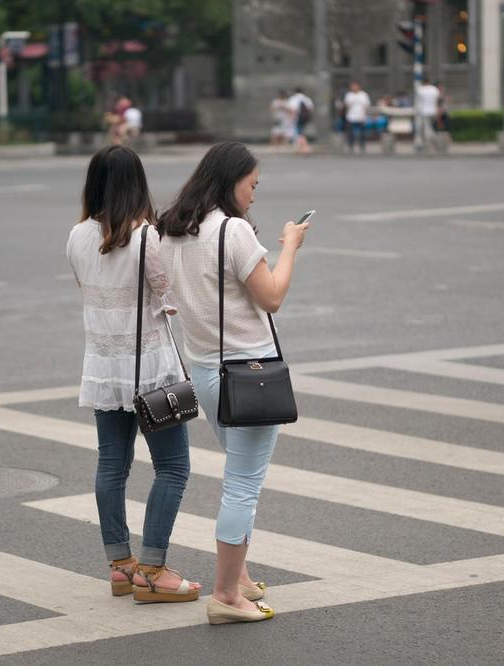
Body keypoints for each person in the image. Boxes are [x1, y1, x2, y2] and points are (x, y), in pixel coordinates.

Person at [156, 142, 310, 624]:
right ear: (231, 180)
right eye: (252, 185)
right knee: (243, 483)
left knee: (242, 472)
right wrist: (289, 247)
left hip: (206, 369)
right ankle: (225, 594)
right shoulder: (233, 230)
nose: (254, 195)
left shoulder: (173, 230)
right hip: (250, 374)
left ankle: (237, 575)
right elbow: (272, 297)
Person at [66, 145, 201, 604]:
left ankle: (121, 567)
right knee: (174, 468)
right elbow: (169, 299)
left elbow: (89, 289)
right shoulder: (146, 238)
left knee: (111, 466)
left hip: (105, 369)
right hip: (151, 369)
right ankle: (154, 569)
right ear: (137, 184)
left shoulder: (76, 236)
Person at [343, 81, 370, 154]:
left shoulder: (363, 95)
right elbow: (346, 105)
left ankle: (362, 146)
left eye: (355, 86)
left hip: (361, 116)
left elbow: (366, 106)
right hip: (351, 116)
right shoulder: (349, 95)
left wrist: (365, 116)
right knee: (350, 133)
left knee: (362, 133)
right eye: (352, 86)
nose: (354, 88)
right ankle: (351, 146)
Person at [414, 78, 439, 152]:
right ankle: (432, 142)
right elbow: (437, 100)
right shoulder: (434, 89)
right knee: (430, 127)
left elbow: (418, 101)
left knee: (427, 128)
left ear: (423, 82)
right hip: (433, 111)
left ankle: (431, 143)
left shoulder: (420, 89)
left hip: (424, 111)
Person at [287, 87, 314, 154]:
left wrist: (292, 118)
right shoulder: (306, 98)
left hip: (297, 118)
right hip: (305, 118)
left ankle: (305, 148)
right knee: (300, 131)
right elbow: (311, 108)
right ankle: (301, 148)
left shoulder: (293, 99)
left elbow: (292, 109)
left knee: (299, 132)